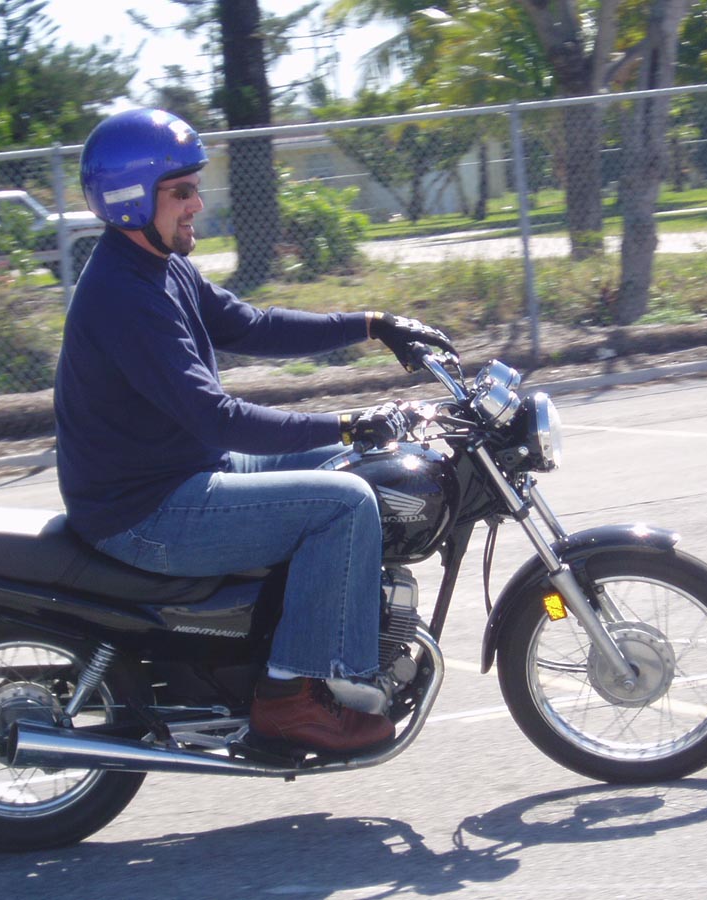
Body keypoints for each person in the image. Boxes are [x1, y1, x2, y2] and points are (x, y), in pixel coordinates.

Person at [54, 108, 453, 755]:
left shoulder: (159, 265)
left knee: (357, 465)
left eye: (194, 188)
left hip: (186, 471)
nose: (197, 204)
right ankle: (292, 695)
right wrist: (346, 422)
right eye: (181, 191)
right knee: (345, 504)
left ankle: (294, 638)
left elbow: (250, 325)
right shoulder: (126, 296)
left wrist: (374, 324)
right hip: (147, 511)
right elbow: (216, 416)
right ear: (131, 198)